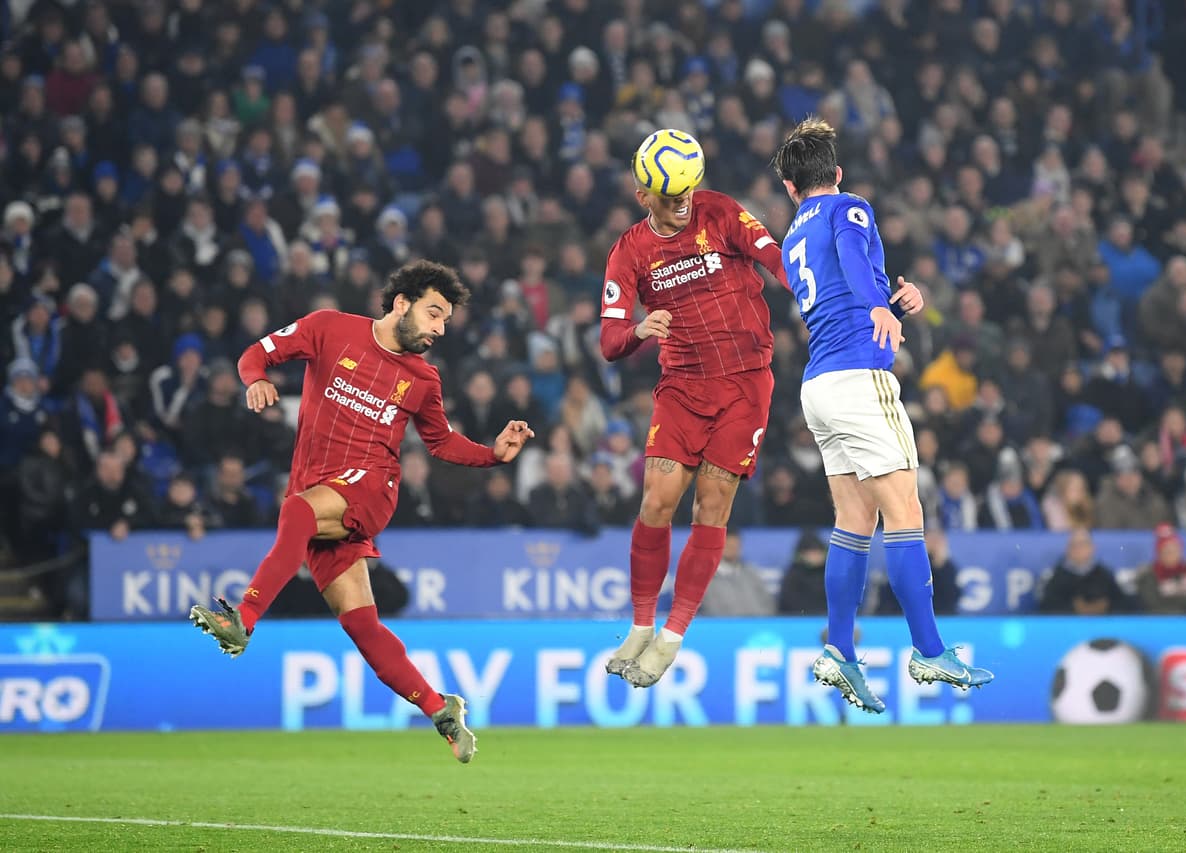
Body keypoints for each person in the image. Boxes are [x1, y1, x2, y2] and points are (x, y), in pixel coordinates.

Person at [189, 260, 535, 764]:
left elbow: (439, 442)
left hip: (372, 485)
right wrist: (255, 378)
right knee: (362, 626)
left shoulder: (422, 379)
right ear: (401, 303)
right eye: (434, 313)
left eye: (446, 321)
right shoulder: (328, 328)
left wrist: (493, 454)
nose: (440, 328)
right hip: (320, 491)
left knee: (297, 516)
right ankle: (441, 708)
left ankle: (243, 619)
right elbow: (255, 354)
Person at [772, 118, 992, 714]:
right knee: (906, 513)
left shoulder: (792, 236)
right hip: (861, 379)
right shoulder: (851, 208)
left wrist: (895, 300)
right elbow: (850, 256)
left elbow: (840, 288)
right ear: (836, 176)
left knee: (853, 521)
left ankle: (839, 651)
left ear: (791, 188)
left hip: (818, 384)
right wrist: (881, 307)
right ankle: (929, 649)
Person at [598, 129, 789, 688]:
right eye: (669, 195)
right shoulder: (630, 251)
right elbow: (610, 343)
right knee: (657, 500)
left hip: (745, 385)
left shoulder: (721, 212)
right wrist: (638, 331)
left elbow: (774, 257)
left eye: (688, 190)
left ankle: (673, 637)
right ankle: (640, 626)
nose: (682, 202)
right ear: (644, 197)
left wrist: (804, 285)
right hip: (683, 384)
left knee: (713, 506)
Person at [1040, 527, 1131, 615]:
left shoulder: (1104, 575)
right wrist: (1074, 609)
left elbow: (1124, 604)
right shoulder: (1057, 577)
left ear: (1092, 547)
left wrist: (1104, 608)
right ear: (1067, 549)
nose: (1078, 549)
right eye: (1074, 545)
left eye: (1083, 544)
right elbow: (1047, 607)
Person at [1134, 523, 1186, 614]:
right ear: (1159, 553)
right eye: (1167, 551)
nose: (1172, 554)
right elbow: (1152, 606)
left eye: (1175, 550)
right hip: (1162, 623)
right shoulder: (1148, 575)